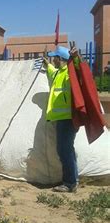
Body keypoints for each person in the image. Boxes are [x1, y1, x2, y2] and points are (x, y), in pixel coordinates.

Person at [43, 46, 80, 193]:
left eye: (54, 57)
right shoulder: (59, 73)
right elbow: (52, 73)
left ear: (61, 59)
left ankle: (69, 183)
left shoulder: (69, 74)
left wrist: (76, 59)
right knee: (67, 149)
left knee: (64, 150)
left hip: (68, 119)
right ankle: (73, 180)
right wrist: (47, 65)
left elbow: (79, 72)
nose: (53, 59)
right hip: (62, 118)